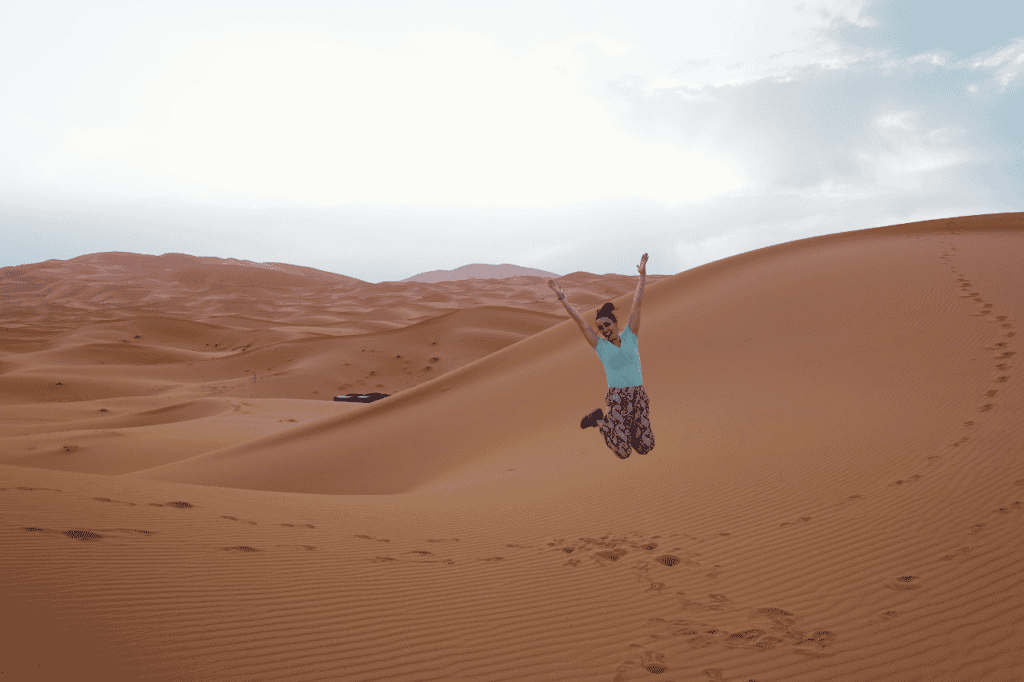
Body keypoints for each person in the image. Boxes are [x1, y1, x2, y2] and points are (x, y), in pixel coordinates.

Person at [548, 253, 655, 459]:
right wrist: (563, 299)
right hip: (618, 398)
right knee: (623, 452)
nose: (604, 329)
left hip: (639, 396)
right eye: (601, 327)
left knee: (645, 447)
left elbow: (637, 303)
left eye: (607, 324)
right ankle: (599, 421)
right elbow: (581, 323)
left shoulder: (631, 336)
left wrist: (642, 276)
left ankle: (626, 431)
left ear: (615, 323)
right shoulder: (601, 347)